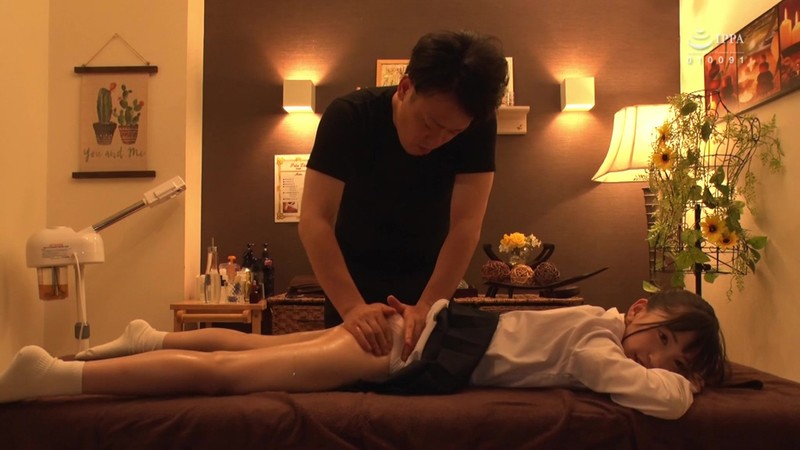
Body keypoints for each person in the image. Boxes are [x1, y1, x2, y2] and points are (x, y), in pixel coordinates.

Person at [0, 288, 727, 419]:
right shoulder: (600, 339)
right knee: (232, 377)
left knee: (258, 346)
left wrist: (676, 371)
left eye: (676, 361)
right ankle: (58, 377)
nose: (657, 363)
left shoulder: (594, 321)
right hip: (403, 351)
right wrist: (683, 388)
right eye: (662, 340)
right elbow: (649, 398)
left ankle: (146, 338)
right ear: (638, 313)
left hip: (415, 330)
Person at [298, 30, 509, 361]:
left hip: (430, 288)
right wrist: (352, 308)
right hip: (352, 284)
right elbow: (315, 219)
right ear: (406, 87)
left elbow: (466, 225)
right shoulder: (350, 117)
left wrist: (428, 305)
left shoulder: (478, 127)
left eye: (453, 132)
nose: (437, 139)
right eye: (430, 123)